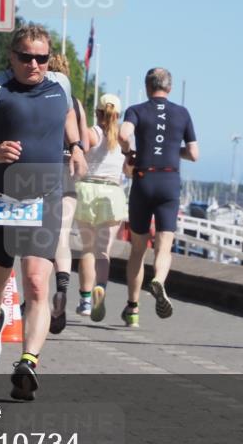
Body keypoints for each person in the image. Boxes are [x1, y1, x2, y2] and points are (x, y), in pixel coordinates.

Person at [0, 24, 86, 401]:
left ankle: (28, 361)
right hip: (2, 197)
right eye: (26, 57)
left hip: (44, 197)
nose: (34, 64)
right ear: (11, 56)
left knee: (35, 283)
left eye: (41, 58)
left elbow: (65, 116)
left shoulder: (60, 84)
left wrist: (76, 145)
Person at [119, 67, 198, 327]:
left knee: (138, 250)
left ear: (146, 86)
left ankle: (132, 309)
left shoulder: (137, 109)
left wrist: (128, 151)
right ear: (170, 88)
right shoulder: (182, 113)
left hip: (144, 180)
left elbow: (122, 133)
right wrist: (174, 149)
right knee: (164, 245)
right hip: (169, 181)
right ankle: (159, 281)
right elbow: (195, 154)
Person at [44, 53, 90, 334]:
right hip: (68, 172)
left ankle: (33, 298)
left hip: (43, 171)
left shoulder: (43, 95)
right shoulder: (76, 104)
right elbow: (83, 142)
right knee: (62, 235)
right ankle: (62, 286)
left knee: (37, 239)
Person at [75, 94, 130, 325]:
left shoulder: (91, 132)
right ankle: (101, 288)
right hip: (112, 193)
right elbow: (128, 171)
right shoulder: (125, 140)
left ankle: (86, 301)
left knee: (87, 248)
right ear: (118, 115)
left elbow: (79, 151)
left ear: (98, 112)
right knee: (103, 251)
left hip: (88, 190)